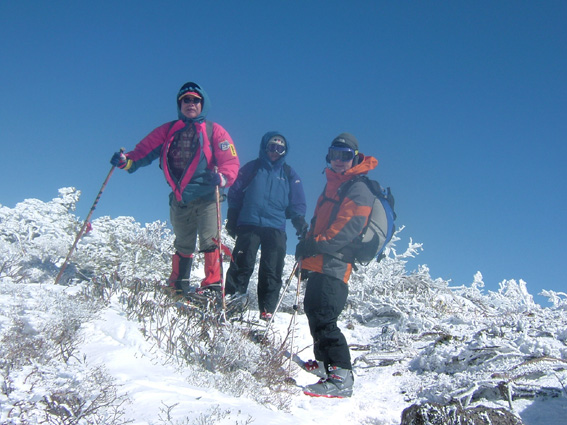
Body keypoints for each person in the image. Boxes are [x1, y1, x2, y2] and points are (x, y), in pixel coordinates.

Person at [110, 81, 239, 296]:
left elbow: (230, 161)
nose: (190, 103)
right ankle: (178, 285)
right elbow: (143, 151)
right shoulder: (168, 130)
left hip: (208, 196)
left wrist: (222, 177)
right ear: (180, 105)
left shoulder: (214, 130)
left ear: (203, 104)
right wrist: (126, 161)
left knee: (210, 240)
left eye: (195, 100)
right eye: (185, 100)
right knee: (183, 243)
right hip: (180, 197)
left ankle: (212, 286)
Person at [294, 132, 378, 398]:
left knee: (325, 318)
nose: (339, 160)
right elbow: (318, 222)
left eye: (345, 155)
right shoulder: (334, 185)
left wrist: (314, 245)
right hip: (321, 262)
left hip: (336, 264)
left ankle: (342, 377)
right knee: (313, 311)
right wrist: (307, 253)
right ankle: (325, 365)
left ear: (355, 158)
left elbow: (347, 228)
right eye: (334, 155)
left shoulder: (358, 188)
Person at [224, 132, 307, 321]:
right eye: (272, 147)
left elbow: (297, 200)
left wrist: (299, 222)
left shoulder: (288, 173)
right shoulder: (252, 168)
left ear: (285, 151)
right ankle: (232, 302)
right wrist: (232, 215)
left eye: (280, 149)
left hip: (275, 227)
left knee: (272, 269)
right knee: (242, 263)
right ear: (265, 147)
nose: (275, 152)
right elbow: (235, 191)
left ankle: (267, 310)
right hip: (249, 223)